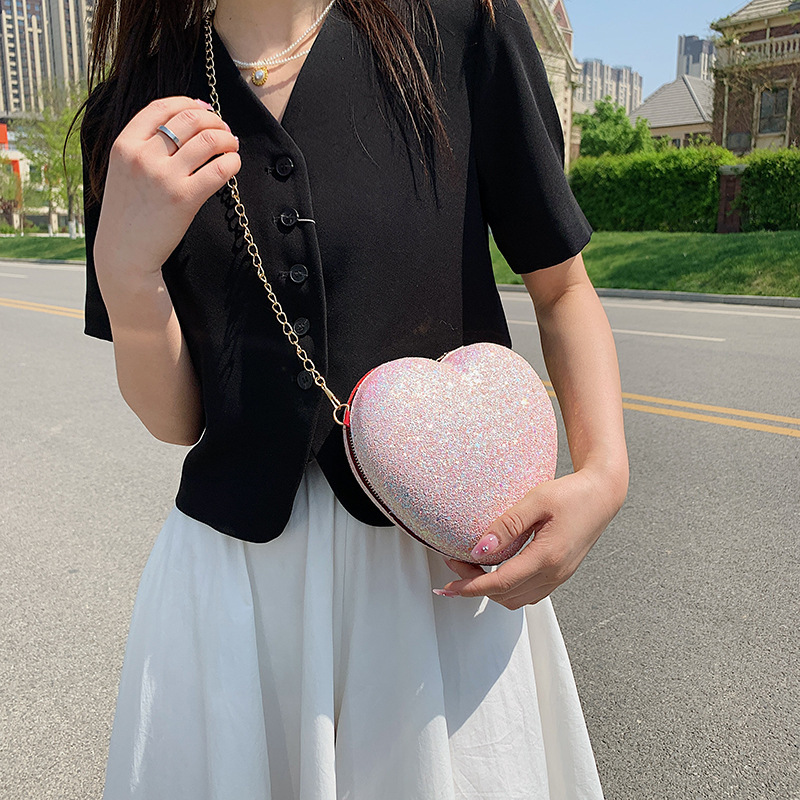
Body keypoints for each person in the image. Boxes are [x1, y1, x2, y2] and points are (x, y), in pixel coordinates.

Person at [78, 0, 628, 796]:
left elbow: (563, 287)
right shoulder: (133, 112)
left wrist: (604, 476)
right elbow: (177, 418)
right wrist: (126, 272)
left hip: (435, 573)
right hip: (233, 595)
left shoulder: (461, 28)